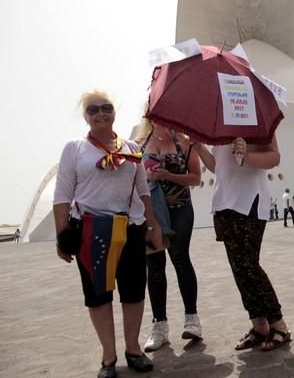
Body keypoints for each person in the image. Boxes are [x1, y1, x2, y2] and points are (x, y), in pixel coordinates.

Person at [53, 90, 163, 378]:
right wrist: (62, 234)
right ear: (85, 116)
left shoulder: (130, 148)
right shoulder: (74, 149)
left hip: (130, 227)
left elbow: (142, 191)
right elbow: (62, 195)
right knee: (98, 295)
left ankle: (133, 349)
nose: (101, 113)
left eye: (106, 107)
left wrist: (152, 225)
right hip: (90, 230)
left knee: (134, 290)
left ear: (115, 111)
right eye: (93, 110)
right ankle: (108, 357)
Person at [194, 134, 291, 351]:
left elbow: (274, 158)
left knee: (249, 265)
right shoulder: (216, 124)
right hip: (224, 201)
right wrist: (200, 149)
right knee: (238, 268)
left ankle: (278, 324)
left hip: (251, 198)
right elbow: (218, 167)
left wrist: (247, 154)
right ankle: (259, 325)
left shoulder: (256, 119)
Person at [137, 120, 202, 352]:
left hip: (180, 208)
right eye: (154, 112)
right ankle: (159, 326)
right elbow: (132, 180)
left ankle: (192, 319)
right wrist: (147, 176)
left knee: (180, 257)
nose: (159, 118)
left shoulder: (184, 142)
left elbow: (196, 178)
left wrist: (167, 175)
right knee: (154, 265)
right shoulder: (139, 144)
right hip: (152, 212)